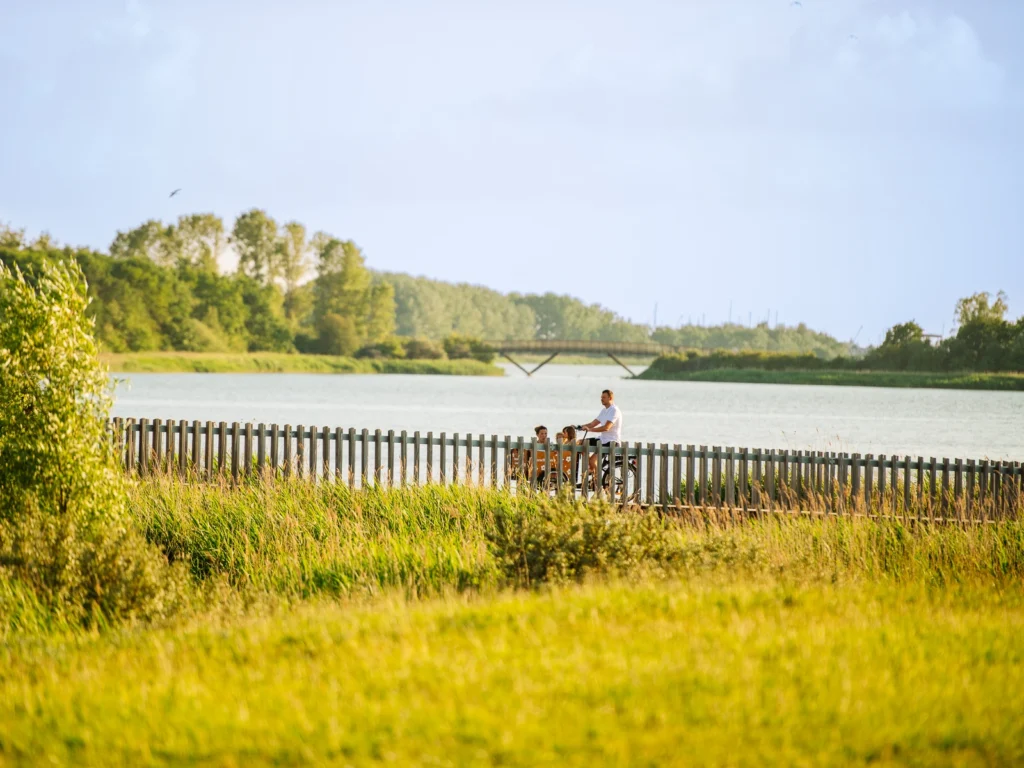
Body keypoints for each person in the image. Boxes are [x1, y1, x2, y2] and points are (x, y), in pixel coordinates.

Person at [579, 389, 623, 476]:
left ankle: (596, 479)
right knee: (580, 442)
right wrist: (579, 427)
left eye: (604, 397)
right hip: (602, 439)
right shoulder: (604, 410)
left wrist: (589, 430)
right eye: (601, 397)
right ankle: (592, 468)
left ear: (610, 398)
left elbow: (606, 428)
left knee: (592, 460)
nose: (601, 399)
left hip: (611, 442)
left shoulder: (614, 410)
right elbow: (592, 424)